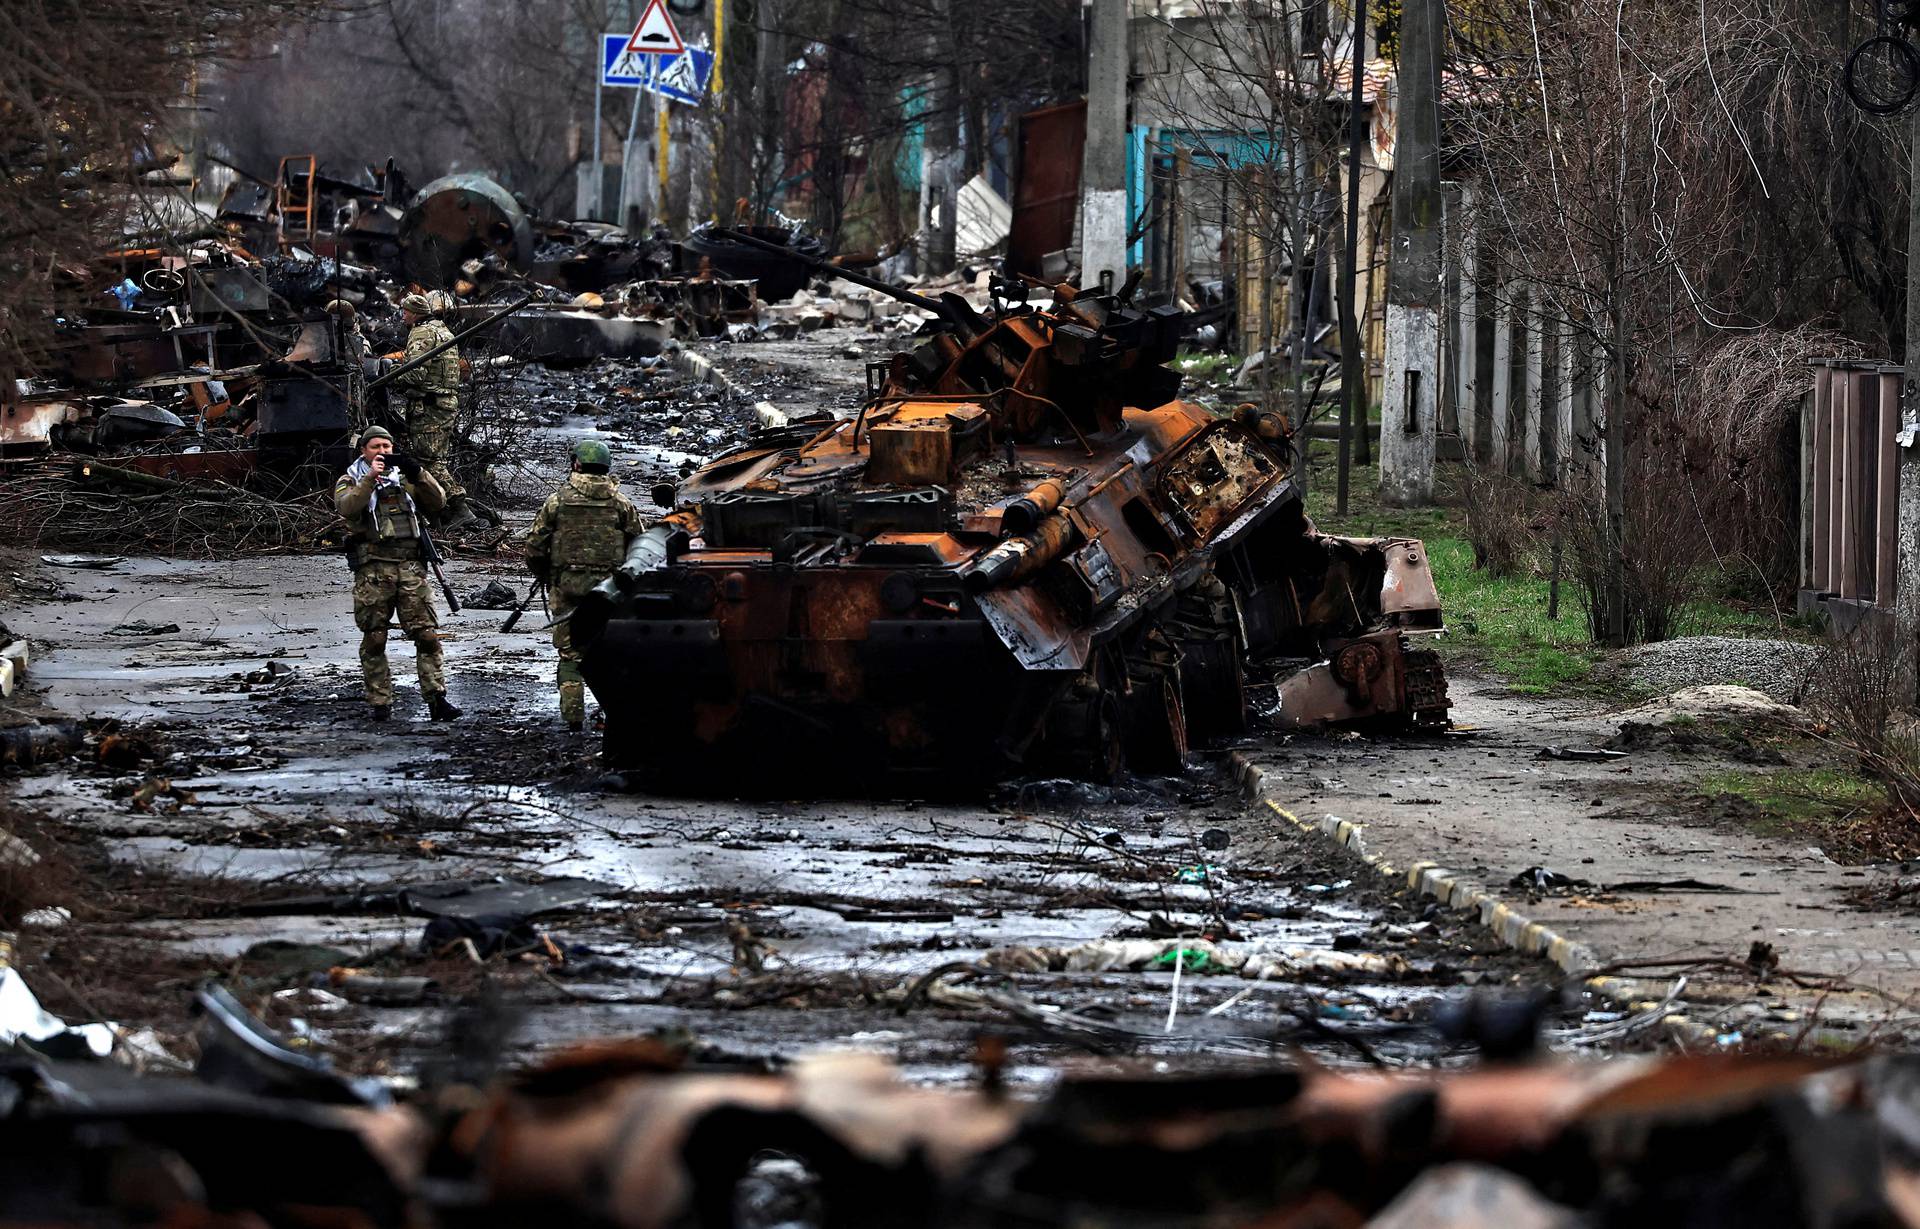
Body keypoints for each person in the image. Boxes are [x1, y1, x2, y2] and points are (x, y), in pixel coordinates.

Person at [333, 426, 463, 723]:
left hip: (411, 567)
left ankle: (436, 698)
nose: (383, 452)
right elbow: (349, 508)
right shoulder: (350, 478)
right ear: (364, 451)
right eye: (376, 447)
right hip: (374, 570)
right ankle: (381, 702)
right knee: (375, 638)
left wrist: (418, 472)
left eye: (387, 447)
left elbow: (438, 502)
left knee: (427, 635)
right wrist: (369, 479)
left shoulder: (405, 480)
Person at [524, 439, 643, 733]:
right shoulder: (620, 503)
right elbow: (640, 545)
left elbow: (535, 547)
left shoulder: (557, 501)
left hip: (567, 591)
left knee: (570, 656)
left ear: (576, 464)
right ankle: (611, 716)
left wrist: (547, 575)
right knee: (610, 654)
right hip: (611, 594)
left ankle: (573, 720)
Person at [392, 291, 477, 531]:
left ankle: (460, 508)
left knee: (429, 460)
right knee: (432, 458)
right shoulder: (444, 331)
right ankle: (441, 512)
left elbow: (416, 373)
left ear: (415, 314)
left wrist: (390, 377)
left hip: (429, 405)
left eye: (406, 312)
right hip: (444, 403)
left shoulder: (421, 332)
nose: (403, 316)